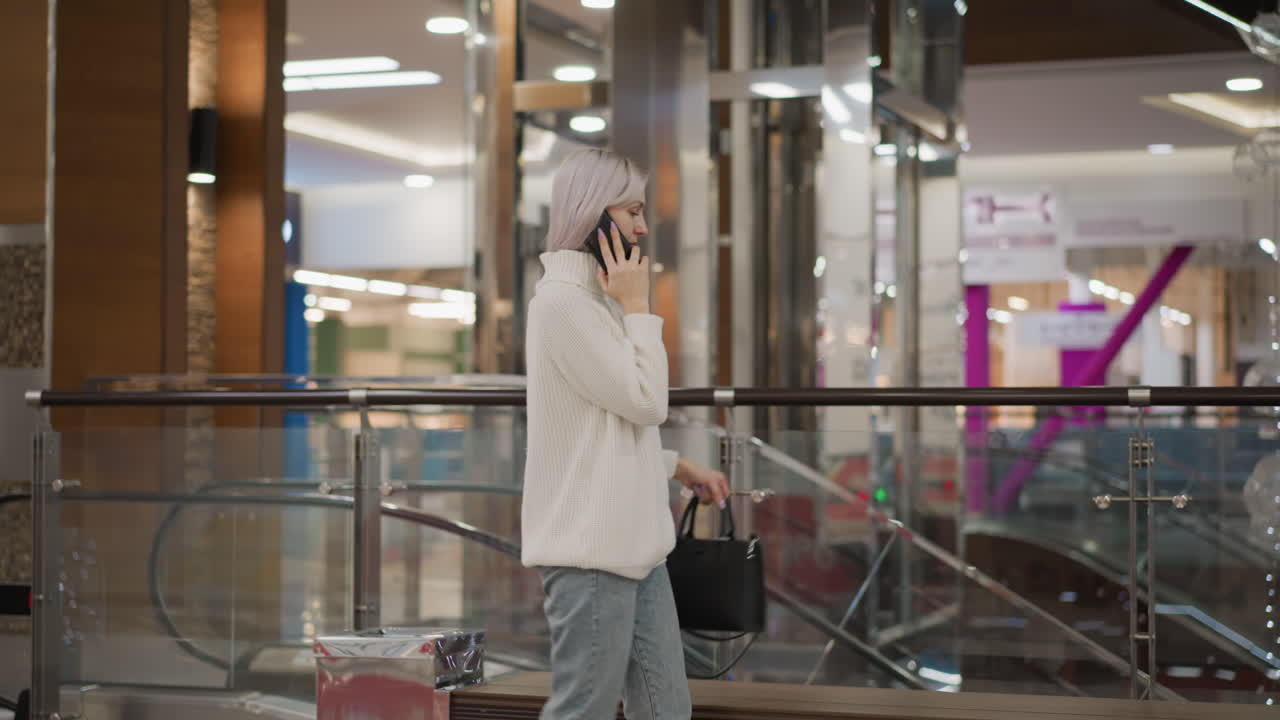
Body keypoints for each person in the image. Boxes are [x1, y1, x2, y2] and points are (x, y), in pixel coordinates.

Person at [521, 148, 730, 719]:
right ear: (594, 213)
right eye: (632, 211)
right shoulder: (564, 304)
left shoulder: (596, 299)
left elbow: (599, 426)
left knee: (667, 710)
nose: (642, 227)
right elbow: (645, 402)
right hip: (590, 553)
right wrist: (640, 308)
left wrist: (674, 466)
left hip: (637, 548)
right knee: (582, 709)